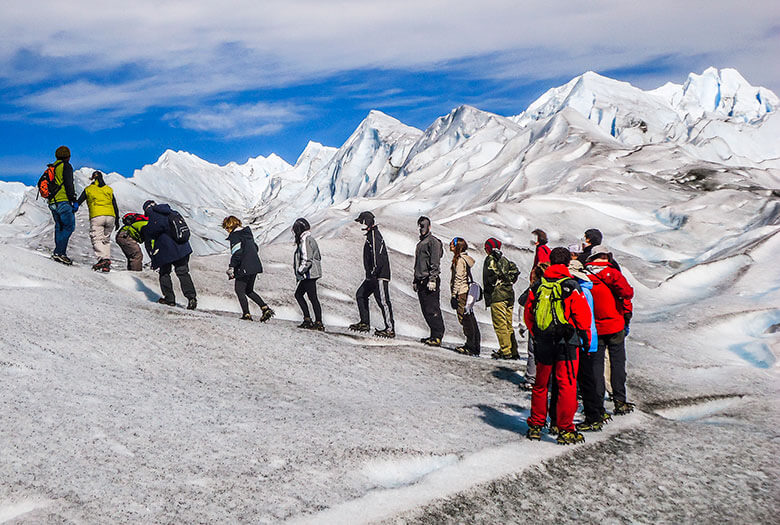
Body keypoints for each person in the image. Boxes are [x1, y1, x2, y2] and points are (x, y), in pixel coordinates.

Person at [524, 247, 592, 445]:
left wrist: (537, 333)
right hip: (566, 343)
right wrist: (584, 337)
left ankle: (536, 425)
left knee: (540, 385)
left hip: (543, 341)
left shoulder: (538, 286)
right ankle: (565, 429)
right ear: (567, 263)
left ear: (551, 261)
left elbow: (529, 314)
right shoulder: (571, 285)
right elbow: (583, 317)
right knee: (566, 385)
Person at [586, 244, 635, 415]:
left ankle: (597, 404)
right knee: (617, 364)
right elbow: (628, 293)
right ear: (607, 256)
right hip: (615, 324)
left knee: (596, 366)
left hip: (594, 327)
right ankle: (620, 400)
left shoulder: (584, 276)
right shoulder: (613, 273)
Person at [567, 259, 605, 431]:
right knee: (588, 379)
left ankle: (593, 416)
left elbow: (582, 318)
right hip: (589, 339)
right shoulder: (586, 289)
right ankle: (597, 412)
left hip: (583, 340)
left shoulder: (579, 291)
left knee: (585, 380)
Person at [142, 200, 197, 310]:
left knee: (164, 273)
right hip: (182, 248)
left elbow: (152, 231)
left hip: (166, 250)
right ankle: (191, 298)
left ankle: (169, 299)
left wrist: (145, 229)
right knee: (183, 273)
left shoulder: (154, 214)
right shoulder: (171, 212)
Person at [350, 211, 395, 338]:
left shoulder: (374, 236)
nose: (360, 225)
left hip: (379, 275)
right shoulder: (371, 235)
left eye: (361, 222)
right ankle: (365, 323)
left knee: (383, 301)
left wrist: (374, 272)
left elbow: (377, 256)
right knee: (361, 294)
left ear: (366, 222)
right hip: (373, 275)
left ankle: (390, 329)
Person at [222, 216, 274, 321]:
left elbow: (237, 253)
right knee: (249, 290)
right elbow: (255, 247)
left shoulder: (235, 236)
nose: (226, 231)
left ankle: (246, 314)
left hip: (244, 266)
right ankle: (265, 308)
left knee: (239, 289)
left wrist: (232, 266)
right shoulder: (247, 234)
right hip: (254, 265)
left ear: (229, 226)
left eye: (226, 228)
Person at [482, 238, 520, 359]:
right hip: (509, 294)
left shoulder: (491, 260)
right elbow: (515, 271)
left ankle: (505, 350)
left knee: (500, 324)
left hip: (497, 295)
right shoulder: (504, 260)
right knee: (508, 324)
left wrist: (492, 285)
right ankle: (513, 350)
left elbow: (491, 276)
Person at [76, 171, 119, 272]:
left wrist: (73, 208)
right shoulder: (108, 189)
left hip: (97, 216)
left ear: (92, 178)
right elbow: (115, 204)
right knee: (106, 239)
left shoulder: (89, 189)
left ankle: (102, 259)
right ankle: (106, 262)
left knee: (96, 238)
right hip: (111, 216)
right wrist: (117, 219)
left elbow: (79, 202)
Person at [414, 216, 445, 347]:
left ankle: (437, 336)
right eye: (420, 226)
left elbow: (435, 262)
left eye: (424, 226)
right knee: (426, 310)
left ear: (429, 227)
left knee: (432, 308)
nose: (421, 228)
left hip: (429, 280)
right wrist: (415, 280)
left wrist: (432, 279)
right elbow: (418, 264)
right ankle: (433, 334)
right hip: (421, 280)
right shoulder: (421, 243)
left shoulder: (433, 242)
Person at [517, 262, 549, 390]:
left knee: (533, 352)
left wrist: (525, 324)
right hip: (552, 325)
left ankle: (531, 378)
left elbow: (523, 302)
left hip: (536, 324)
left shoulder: (535, 287)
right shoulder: (556, 285)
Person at [47, 146, 78, 265]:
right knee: (69, 227)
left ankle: (58, 252)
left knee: (59, 227)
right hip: (63, 201)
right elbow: (69, 184)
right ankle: (60, 253)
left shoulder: (52, 167)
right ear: (68, 156)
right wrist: (73, 200)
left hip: (52, 202)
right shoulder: (66, 166)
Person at [449, 237, 480, 355]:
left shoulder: (460, 260)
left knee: (464, 319)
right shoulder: (465, 259)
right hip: (466, 291)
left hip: (461, 292)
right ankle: (474, 345)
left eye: (453, 244)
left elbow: (458, 278)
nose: (450, 245)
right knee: (469, 317)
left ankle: (470, 346)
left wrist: (454, 295)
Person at [292, 218, 324, 331]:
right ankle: (313, 320)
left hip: (308, 274)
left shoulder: (305, 240)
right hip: (310, 274)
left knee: (307, 296)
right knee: (308, 296)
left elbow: (307, 258)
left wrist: (300, 270)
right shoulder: (308, 239)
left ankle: (313, 320)